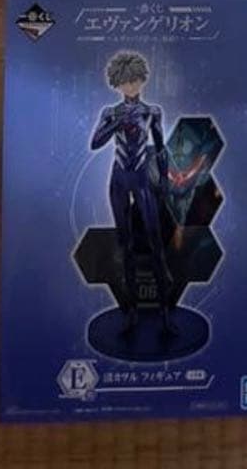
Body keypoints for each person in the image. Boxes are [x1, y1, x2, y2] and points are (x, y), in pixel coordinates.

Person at [90, 51, 173, 334]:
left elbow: (160, 148)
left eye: (135, 80)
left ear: (142, 79)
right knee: (125, 245)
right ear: (117, 83)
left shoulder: (152, 112)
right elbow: (95, 143)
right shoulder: (110, 112)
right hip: (118, 181)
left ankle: (165, 313)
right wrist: (116, 122)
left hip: (141, 180)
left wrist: (164, 181)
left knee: (155, 244)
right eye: (125, 81)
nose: (131, 85)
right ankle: (132, 312)